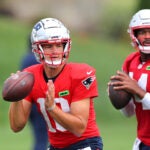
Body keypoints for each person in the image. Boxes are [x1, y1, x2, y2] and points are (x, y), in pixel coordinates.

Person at [9, 18, 103, 150]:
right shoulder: (30, 76)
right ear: (37, 48)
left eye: (59, 45)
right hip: (55, 146)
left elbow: (79, 128)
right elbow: (16, 126)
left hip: (85, 143)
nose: (55, 51)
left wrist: (53, 108)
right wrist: (17, 98)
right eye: (48, 46)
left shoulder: (80, 74)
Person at [108, 9, 150, 150]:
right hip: (143, 140)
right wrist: (119, 95)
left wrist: (138, 90)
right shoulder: (131, 61)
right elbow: (129, 112)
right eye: (142, 32)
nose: (147, 36)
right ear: (134, 34)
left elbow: (137, 91)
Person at [20, 37, 48, 150]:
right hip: (40, 101)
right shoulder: (41, 59)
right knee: (42, 139)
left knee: (38, 137)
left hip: (28, 103)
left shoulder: (25, 59)